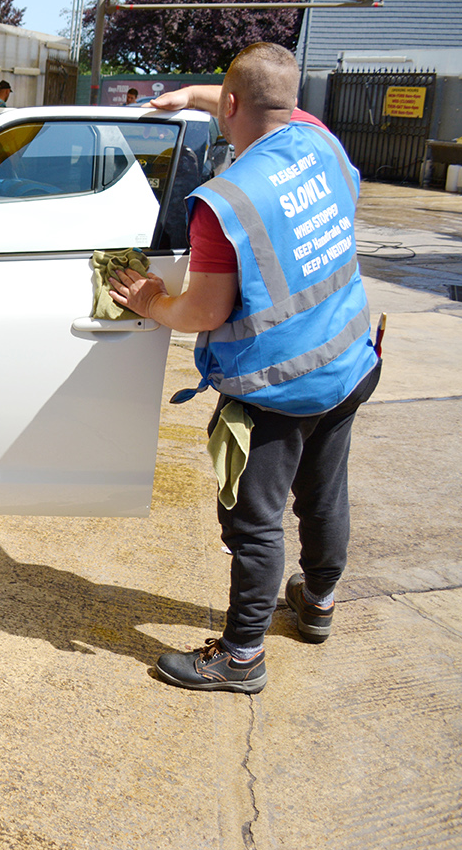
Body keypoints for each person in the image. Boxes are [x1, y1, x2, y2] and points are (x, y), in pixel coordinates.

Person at [107, 42, 380, 694]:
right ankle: (316, 602)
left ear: (231, 105)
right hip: (347, 364)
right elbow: (262, 101)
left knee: (253, 521)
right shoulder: (317, 142)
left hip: (277, 388)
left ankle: (241, 655)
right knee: (321, 495)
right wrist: (192, 98)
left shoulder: (224, 201)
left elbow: (203, 311)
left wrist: (147, 298)